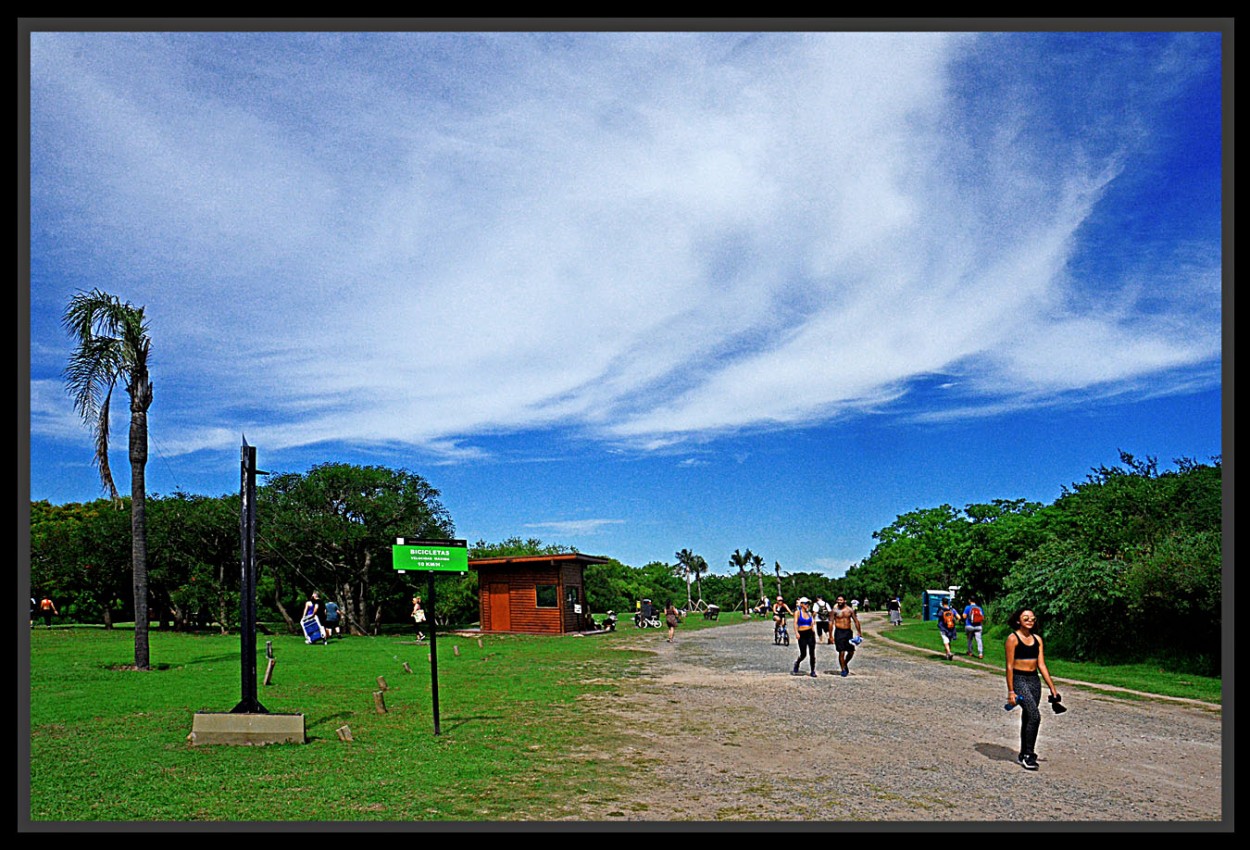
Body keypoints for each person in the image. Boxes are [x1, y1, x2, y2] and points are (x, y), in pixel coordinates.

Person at [1005, 609, 1060, 771]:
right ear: (1018, 621)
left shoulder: (1037, 639)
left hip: (1034, 680)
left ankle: (1023, 753)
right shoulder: (1012, 639)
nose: (1030, 621)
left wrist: (1052, 688)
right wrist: (1011, 691)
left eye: (1032, 619)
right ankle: (1029, 754)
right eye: (1026, 618)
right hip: (1019, 679)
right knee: (1035, 715)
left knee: (1029, 716)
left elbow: (1041, 664)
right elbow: (1009, 666)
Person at [831, 595, 862, 676]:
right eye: (838, 600)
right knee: (841, 652)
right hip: (839, 632)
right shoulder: (835, 610)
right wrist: (830, 635)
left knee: (851, 651)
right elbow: (830, 622)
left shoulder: (850, 610)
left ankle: (845, 663)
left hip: (848, 632)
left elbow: (856, 621)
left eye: (841, 600)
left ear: (845, 601)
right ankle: (843, 669)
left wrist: (859, 632)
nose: (839, 601)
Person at [790, 597, 818, 677]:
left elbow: (812, 622)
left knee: (812, 653)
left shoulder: (809, 613)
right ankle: (797, 663)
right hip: (802, 633)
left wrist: (813, 628)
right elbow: (795, 623)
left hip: (810, 633)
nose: (807, 605)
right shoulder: (798, 612)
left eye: (808, 604)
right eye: (806, 603)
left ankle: (813, 670)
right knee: (803, 653)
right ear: (801, 604)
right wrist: (796, 633)